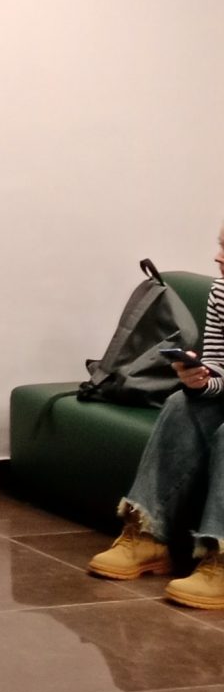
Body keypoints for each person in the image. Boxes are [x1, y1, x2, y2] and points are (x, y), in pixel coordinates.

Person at [91, 220, 224, 609]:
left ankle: (221, 556)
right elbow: (219, 365)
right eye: (220, 244)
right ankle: (147, 536)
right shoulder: (222, 292)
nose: (218, 257)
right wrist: (199, 381)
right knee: (181, 403)